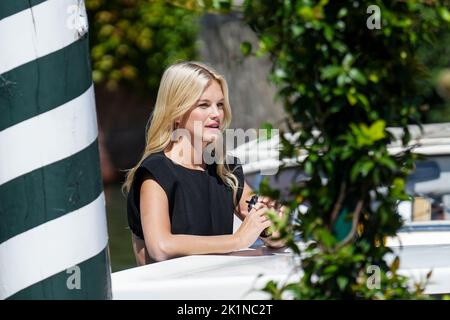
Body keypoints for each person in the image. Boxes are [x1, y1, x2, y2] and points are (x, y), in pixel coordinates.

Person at [123, 61, 286, 265]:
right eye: (204, 105)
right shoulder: (155, 172)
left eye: (219, 104)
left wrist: (275, 228)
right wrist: (237, 240)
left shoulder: (226, 170)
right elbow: (160, 247)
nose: (217, 114)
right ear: (176, 112)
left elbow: (266, 227)